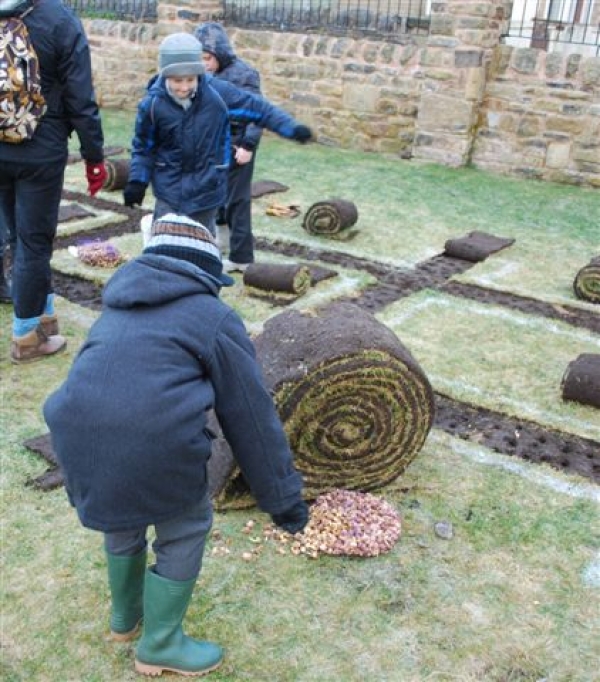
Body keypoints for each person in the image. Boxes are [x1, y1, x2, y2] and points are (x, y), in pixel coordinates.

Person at [43, 213, 309, 677]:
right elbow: (250, 417)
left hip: (75, 434)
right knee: (184, 525)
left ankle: (126, 618)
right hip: (149, 441)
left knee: (123, 510)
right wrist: (285, 503)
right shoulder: (213, 317)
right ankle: (161, 645)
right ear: (205, 272)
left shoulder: (116, 306)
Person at [123, 32, 311, 240]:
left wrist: (291, 128)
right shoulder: (152, 106)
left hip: (207, 190)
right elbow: (144, 148)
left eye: (190, 79)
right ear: (165, 75)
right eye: (177, 80)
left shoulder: (217, 94)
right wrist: (137, 181)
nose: (184, 87)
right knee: (167, 248)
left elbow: (259, 109)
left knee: (201, 252)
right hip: (169, 191)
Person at [0, 0, 107, 363]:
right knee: (34, 241)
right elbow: (80, 97)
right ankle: (27, 338)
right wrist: (94, 155)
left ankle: (43, 315)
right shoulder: (59, 20)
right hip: (40, 149)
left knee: (19, 236)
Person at [195, 22, 262, 274]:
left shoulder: (245, 74)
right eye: (199, 58)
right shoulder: (200, 75)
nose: (204, 64)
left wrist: (248, 145)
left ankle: (242, 257)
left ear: (219, 54)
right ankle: (221, 240)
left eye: (207, 58)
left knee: (237, 201)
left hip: (238, 144)